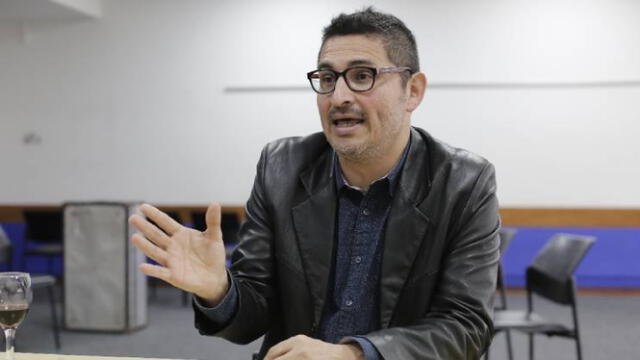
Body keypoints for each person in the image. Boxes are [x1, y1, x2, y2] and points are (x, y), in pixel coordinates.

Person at [130, 7, 500, 360]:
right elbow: (253, 316)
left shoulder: (464, 184)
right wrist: (221, 291)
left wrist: (353, 354)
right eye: (327, 79)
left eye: (362, 76)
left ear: (413, 91)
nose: (339, 97)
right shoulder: (281, 168)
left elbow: (465, 327)